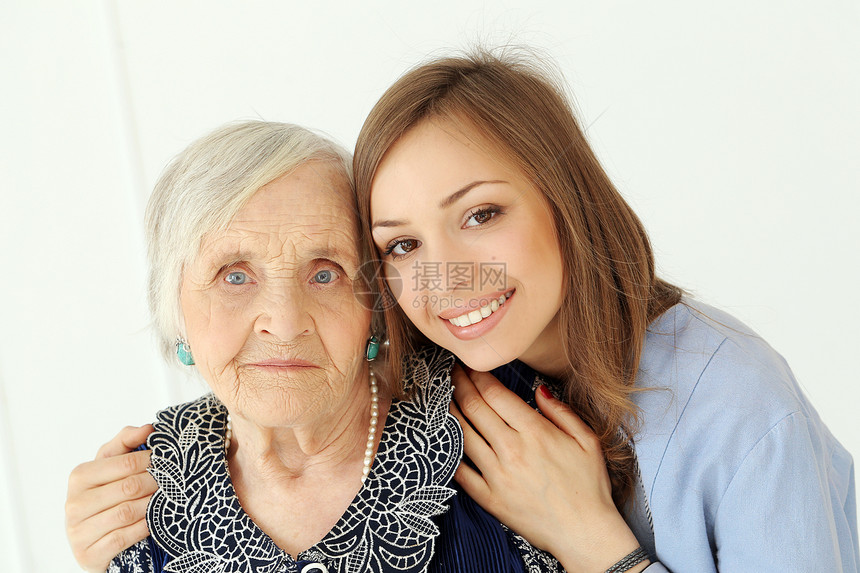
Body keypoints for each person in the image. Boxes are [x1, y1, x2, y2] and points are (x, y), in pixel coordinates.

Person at [352, 49, 858, 572]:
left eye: (480, 215)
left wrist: (589, 540)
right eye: (403, 246)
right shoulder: (432, 401)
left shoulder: (743, 407)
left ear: (565, 200)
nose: (449, 277)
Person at [66, 120, 573, 573]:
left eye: (326, 273)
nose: (285, 324)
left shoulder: (502, 425)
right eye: (235, 276)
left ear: (374, 303)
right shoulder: (137, 494)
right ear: (173, 305)